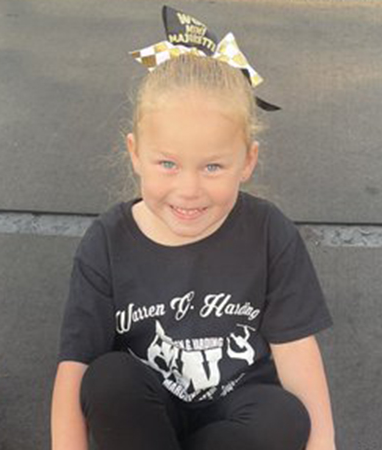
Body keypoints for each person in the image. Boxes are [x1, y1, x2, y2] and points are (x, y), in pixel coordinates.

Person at [51, 7, 335, 450]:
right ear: (135, 153)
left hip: (233, 414)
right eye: (167, 163)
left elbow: (297, 353)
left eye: (213, 166)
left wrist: (324, 445)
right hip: (144, 419)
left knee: (286, 415)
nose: (188, 190)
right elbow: (76, 367)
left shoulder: (268, 232)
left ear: (248, 161)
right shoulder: (108, 240)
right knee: (109, 378)